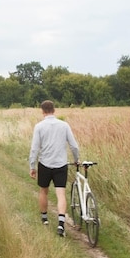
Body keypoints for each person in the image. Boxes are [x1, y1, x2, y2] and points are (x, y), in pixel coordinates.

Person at [28, 100, 79, 237]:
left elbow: (34, 149)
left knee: (43, 191)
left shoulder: (39, 126)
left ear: (42, 111)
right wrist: (76, 160)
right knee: (60, 193)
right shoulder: (64, 125)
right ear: (54, 110)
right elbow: (74, 146)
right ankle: (61, 223)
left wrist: (32, 166)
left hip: (44, 163)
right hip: (61, 163)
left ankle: (44, 218)